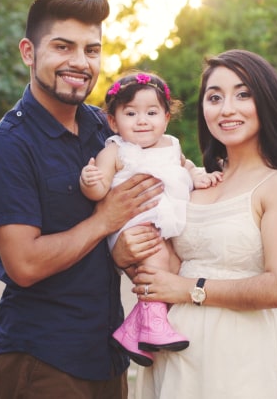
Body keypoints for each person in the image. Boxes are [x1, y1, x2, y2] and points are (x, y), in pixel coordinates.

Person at [0, 0, 163, 399]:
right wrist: (105, 220)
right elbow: (23, 263)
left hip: (107, 354)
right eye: (63, 47)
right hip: (43, 358)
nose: (80, 63)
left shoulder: (104, 126)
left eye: (91, 50)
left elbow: (163, 168)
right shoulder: (8, 146)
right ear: (29, 51)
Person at [132, 49, 277, 399]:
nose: (227, 108)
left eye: (243, 94)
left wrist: (188, 289)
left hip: (240, 356)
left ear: (267, 101)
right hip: (176, 353)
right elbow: (167, 266)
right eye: (215, 97)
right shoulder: (198, 181)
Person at [80, 71, 222, 367]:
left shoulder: (171, 144)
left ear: (167, 118)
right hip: (136, 224)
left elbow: (187, 166)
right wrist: (89, 180)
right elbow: (99, 190)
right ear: (114, 121)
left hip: (164, 225)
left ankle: (133, 329)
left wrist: (199, 175)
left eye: (151, 112)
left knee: (174, 266)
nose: (142, 120)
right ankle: (153, 322)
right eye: (131, 113)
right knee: (157, 261)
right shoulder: (116, 150)